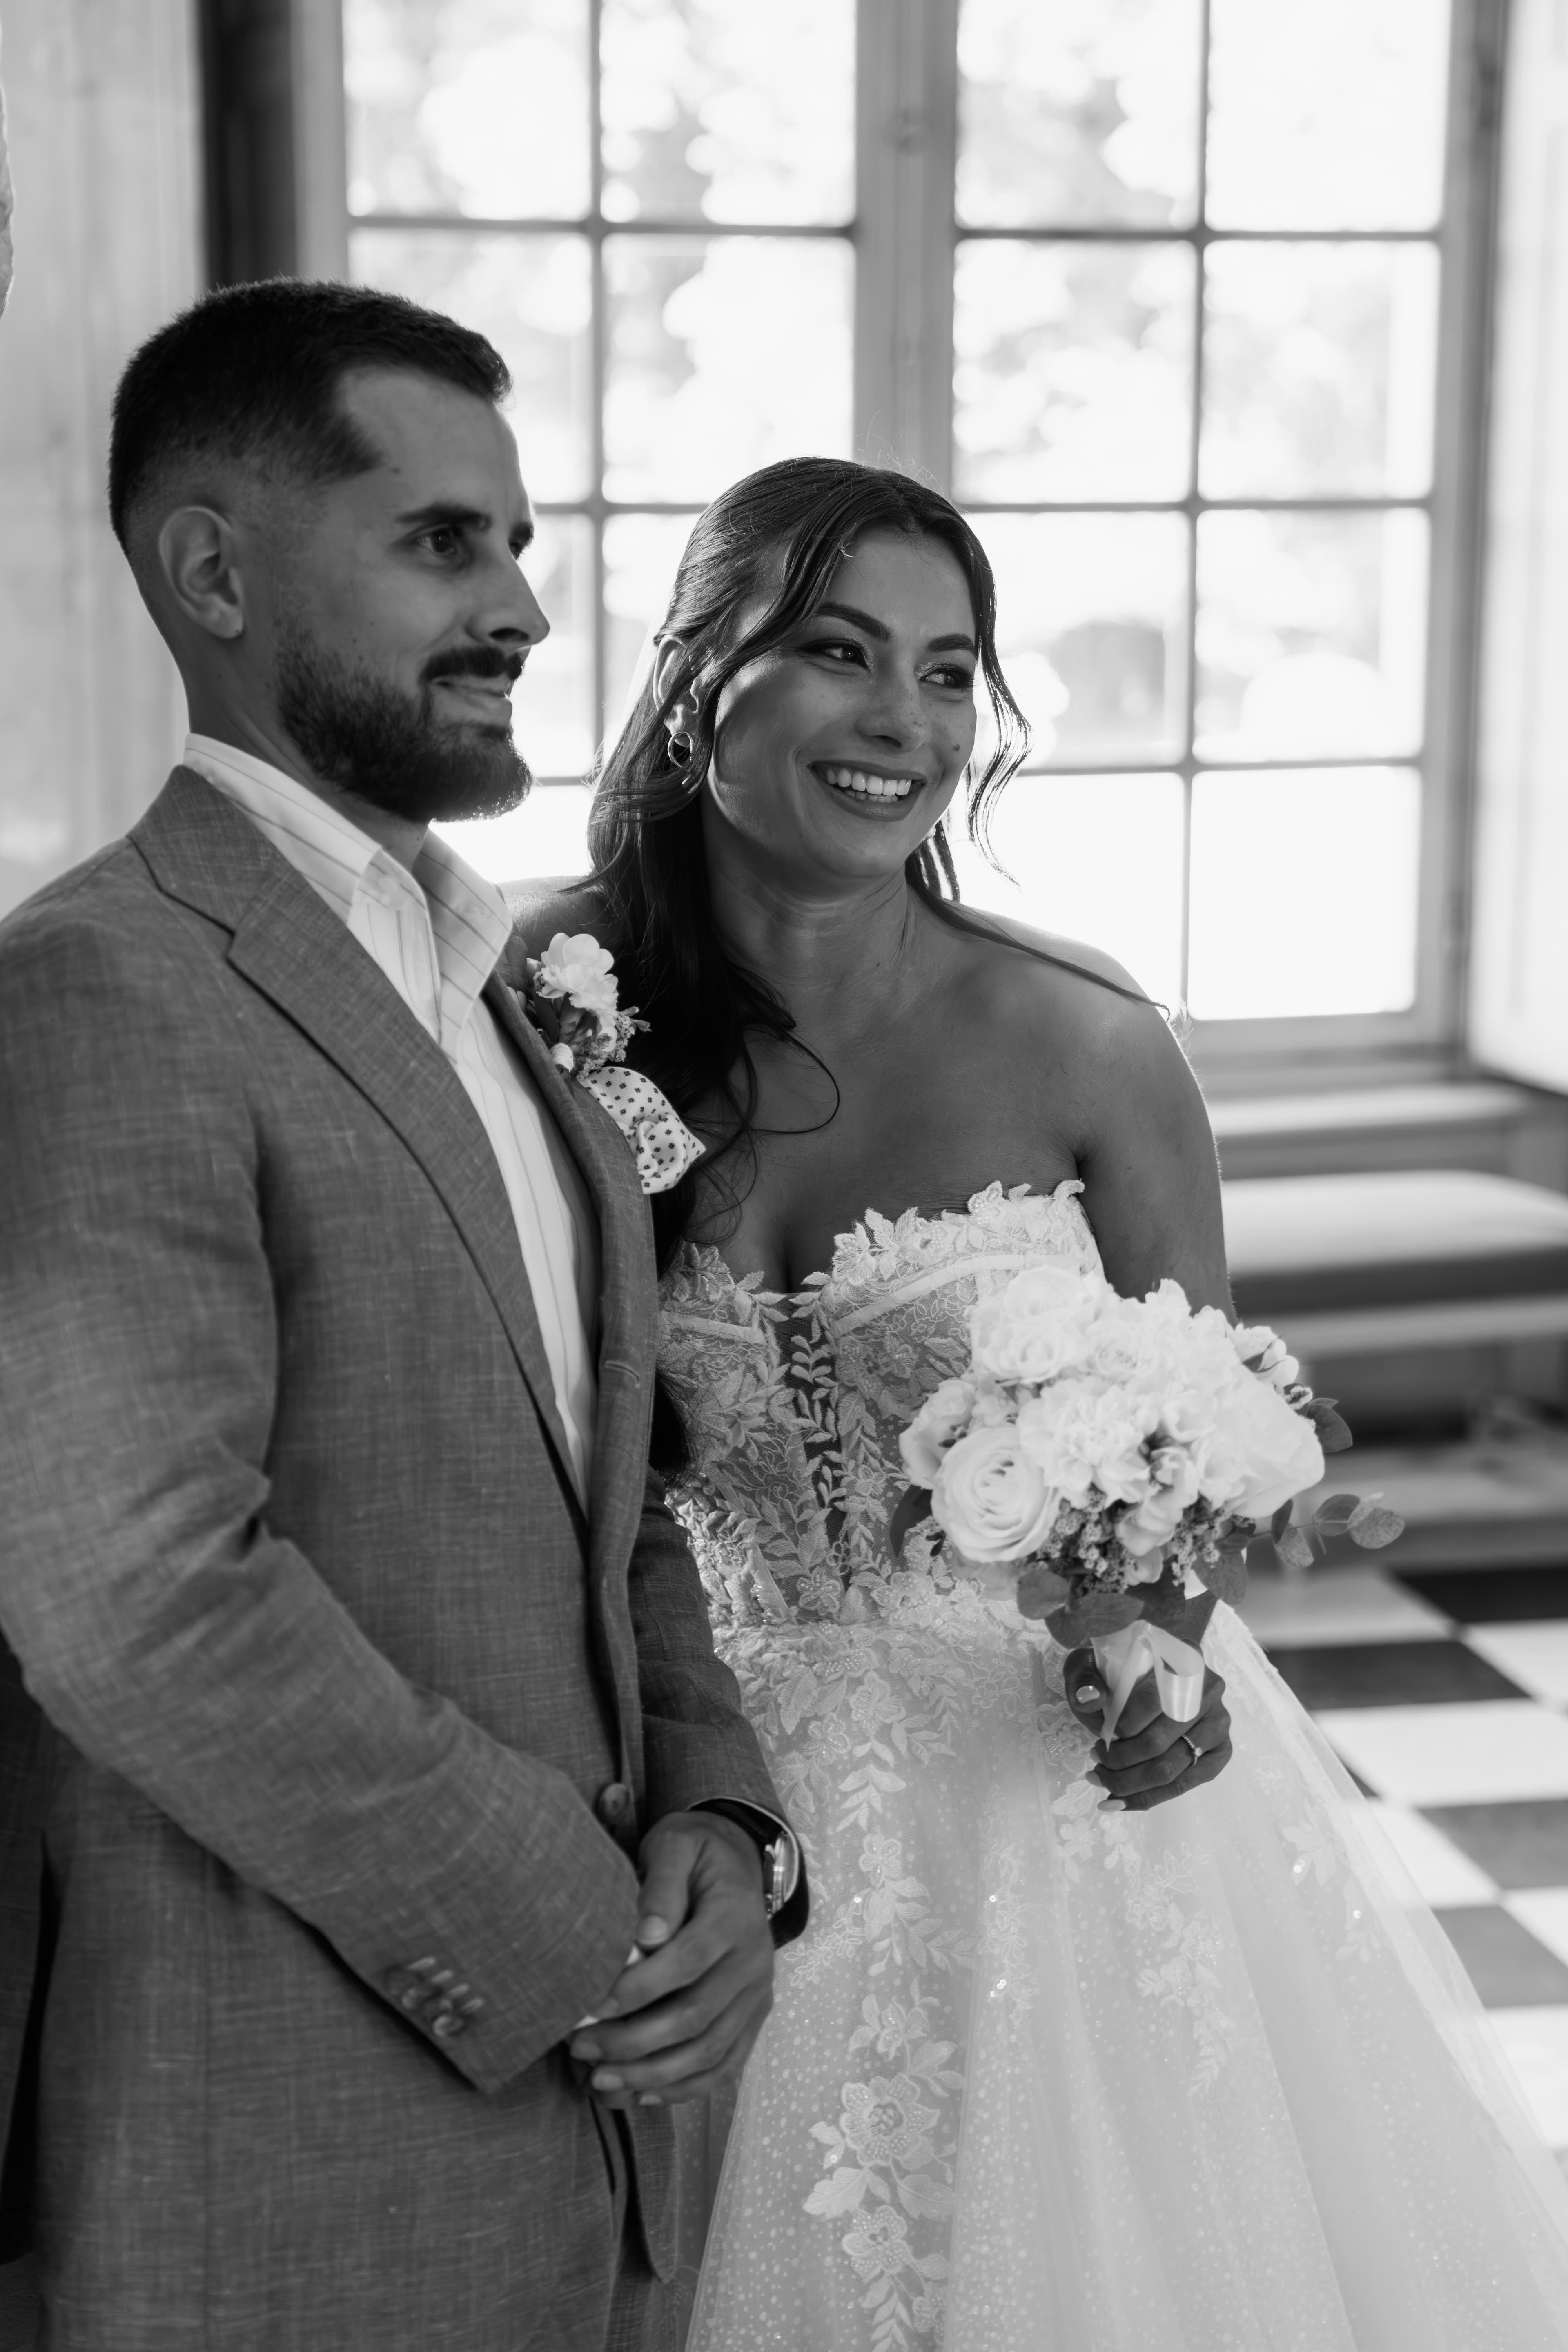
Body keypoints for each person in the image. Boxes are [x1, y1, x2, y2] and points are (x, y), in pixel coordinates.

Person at [513, 457, 1568, 2350]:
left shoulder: (1086, 1040)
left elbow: (1210, 1440)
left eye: (946, 671)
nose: (903, 720)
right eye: (841, 653)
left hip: (1051, 1790)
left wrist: (1148, 1650)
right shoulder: (554, 999)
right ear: (696, 682)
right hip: (696, 1778)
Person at [0, 279, 806, 2352]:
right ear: (216, 572)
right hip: (287, 2129)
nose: (526, 609)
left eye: (520, 544)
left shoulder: (514, 987)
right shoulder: (100, 986)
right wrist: (567, 1934)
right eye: (442, 542)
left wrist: (721, 1827)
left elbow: (626, 1480)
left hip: (611, 2132)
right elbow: (133, 1590)